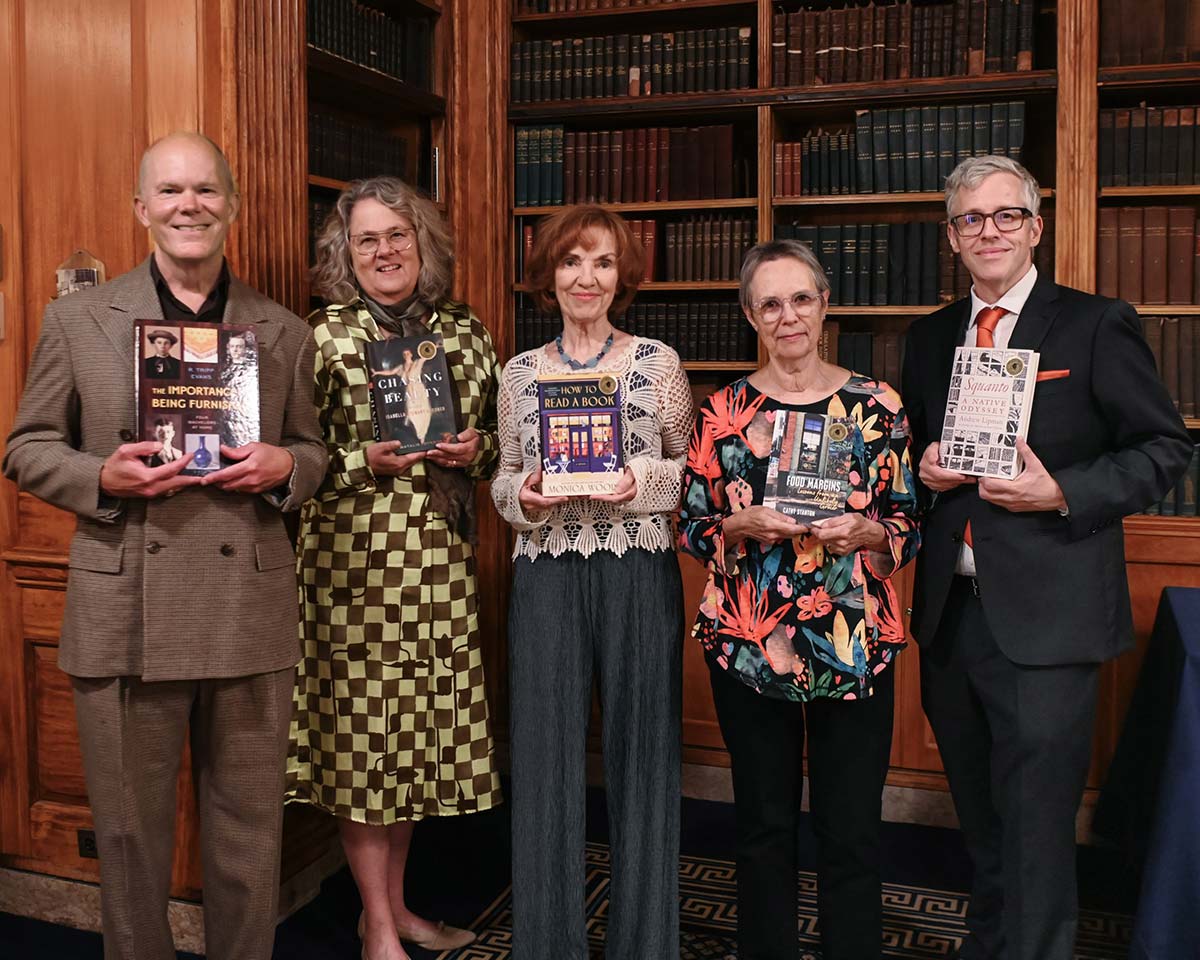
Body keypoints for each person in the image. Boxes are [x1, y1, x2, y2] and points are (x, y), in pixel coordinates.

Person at [2, 131, 328, 960]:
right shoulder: (77, 320)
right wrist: (102, 476)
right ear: (141, 206)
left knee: (249, 840)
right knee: (128, 839)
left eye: (207, 189)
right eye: (172, 190)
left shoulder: (285, 331)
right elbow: (26, 447)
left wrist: (288, 465)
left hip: (247, 606)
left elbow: (314, 450)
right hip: (125, 610)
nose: (191, 205)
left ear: (233, 205)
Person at [900, 155, 1193, 960]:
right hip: (950, 618)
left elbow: (1163, 448)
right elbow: (915, 457)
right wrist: (922, 469)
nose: (988, 231)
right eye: (970, 219)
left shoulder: (1095, 324)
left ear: (1035, 227)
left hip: (1049, 622)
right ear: (952, 238)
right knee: (983, 822)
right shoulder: (927, 338)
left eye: (1006, 215)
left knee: (1036, 833)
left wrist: (1060, 489)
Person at [679, 239, 921, 960]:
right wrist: (738, 525)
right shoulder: (721, 413)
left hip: (856, 644)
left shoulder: (877, 406)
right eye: (771, 304)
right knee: (763, 827)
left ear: (824, 305)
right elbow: (691, 525)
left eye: (801, 299)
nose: (788, 317)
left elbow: (909, 521)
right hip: (750, 646)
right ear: (750, 315)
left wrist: (870, 531)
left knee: (852, 831)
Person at [286, 176, 502, 960]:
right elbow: (292, 460)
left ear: (423, 243)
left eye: (398, 234)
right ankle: (376, 922)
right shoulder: (320, 336)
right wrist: (360, 461)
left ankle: (397, 906)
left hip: (440, 568)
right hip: (353, 571)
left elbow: (504, 444)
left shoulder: (465, 332)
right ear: (346, 252)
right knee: (362, 745)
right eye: (367, 238)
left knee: (410, 743)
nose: (385, 251)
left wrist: (478, 450)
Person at [491, 205, 693, 960]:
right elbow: (504, 479)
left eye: (603, 262)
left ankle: (646, 944)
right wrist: (525, 497)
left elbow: (688, 472)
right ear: (549, 274)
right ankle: (548, 945)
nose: (587, 277)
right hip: (546, 573)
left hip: (636, 567)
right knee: (543, 759)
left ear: (621, 275)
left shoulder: (657, 365)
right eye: (572, 261)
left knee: (644, 755)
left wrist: (638, 480)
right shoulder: (518, 374)